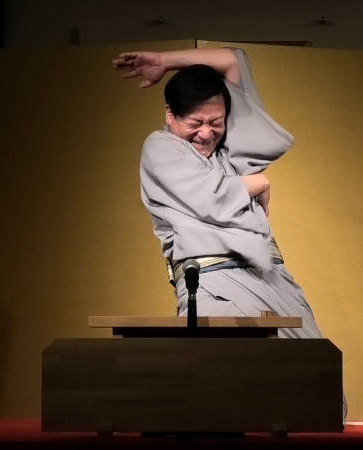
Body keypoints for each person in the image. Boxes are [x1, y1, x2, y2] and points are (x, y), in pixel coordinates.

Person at [112, 47, 321, 339]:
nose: (206, 133)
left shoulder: (228, 151)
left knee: (314, 365)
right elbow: (212, 196)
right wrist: (258, 182)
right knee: (231, 365)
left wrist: (164, 61)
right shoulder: (161, 147)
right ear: (170, 114)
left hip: (274, 279)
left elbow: (233, 61)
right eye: (195, 123)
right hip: (216, 282)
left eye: (216, 122)